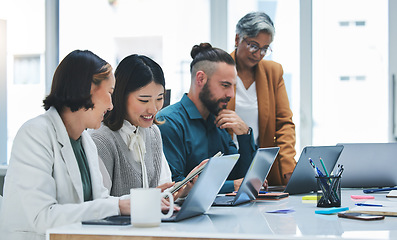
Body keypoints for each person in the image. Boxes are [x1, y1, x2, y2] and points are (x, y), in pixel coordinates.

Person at [0, 50, 133, 240]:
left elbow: (99, 202)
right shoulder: (35, 133)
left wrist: (146, 200)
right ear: (88, 89)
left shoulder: (86, 141)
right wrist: (118, 206)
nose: (111, 105)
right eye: (110, 92)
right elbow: (42, 218)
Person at [90, 54, 197, 198]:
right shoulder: (101, 139)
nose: (153, 109)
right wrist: (148, 200)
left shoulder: (153, 133)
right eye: (144, 100)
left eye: (159, 98)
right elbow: (100, 203)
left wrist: (179, 192)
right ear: (121, 96)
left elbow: (162, 189)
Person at [157, 43, 257, 193]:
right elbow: (174, 186)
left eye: (233, 86)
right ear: (201, 79)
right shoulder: (168, 122)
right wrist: (233, 186)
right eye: (225, 85)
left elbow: (241, 177)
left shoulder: (219, 120)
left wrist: (244, 135)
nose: (231, 94)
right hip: (185, 215)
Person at [229, 12, 296, 186]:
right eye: (253, 46)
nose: (258, 54)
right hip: (228, 162)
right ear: (237, 39)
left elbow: (284, 124)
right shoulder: (220, 68)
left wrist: (288, 166)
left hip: (260, 165)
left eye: (265, 48)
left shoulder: (273, 72)